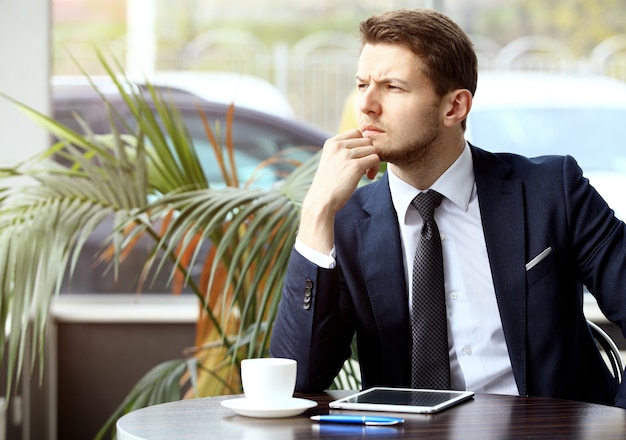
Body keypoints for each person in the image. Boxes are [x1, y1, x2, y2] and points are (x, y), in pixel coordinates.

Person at [269, 8, 626, 408]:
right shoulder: (349, 220)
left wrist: (615, 425)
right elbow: (296, 378)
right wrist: (316, 212)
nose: (366, 105)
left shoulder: (552, 191)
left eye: (392, 87)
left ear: (454, 107)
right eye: (362, 83)